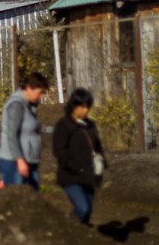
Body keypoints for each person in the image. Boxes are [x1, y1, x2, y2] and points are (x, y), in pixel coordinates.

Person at [52, 88, 106, 226]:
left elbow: (97, 146)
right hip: (71, 176)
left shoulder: (90, 125)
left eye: (87, 107)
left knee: (86, 212)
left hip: (88, 175)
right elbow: (59, 150)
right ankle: (64, 229)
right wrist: (74, 166)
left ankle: (76, 235)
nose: (85, 110)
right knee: (83, 208)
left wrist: (101, 164)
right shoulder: (64, 125)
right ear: (73, 106)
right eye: (82, 107)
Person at [0, 72, 48, 190]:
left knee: (32, 199)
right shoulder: (16, 105)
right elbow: (11, 135)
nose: (41, 97)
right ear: (30, 88)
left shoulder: (29, 106)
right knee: (16, 199)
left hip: (28, 161)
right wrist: (19, 161)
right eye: (40, 92)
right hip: (14, 162)